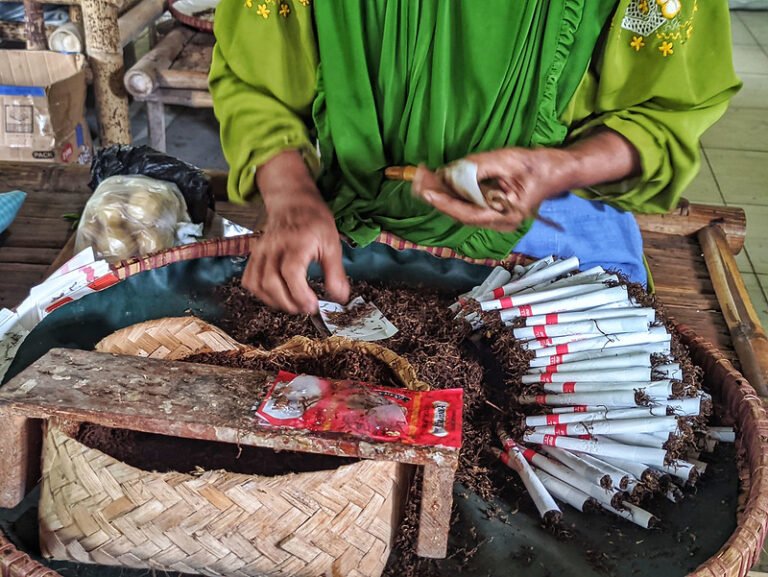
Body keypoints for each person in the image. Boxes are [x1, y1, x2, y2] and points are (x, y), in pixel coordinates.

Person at [209, 0, 740, 314]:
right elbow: (256, 75)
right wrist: (292, 197)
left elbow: (665, 111)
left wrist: (561, 167)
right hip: (349, 231)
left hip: (554, 229)